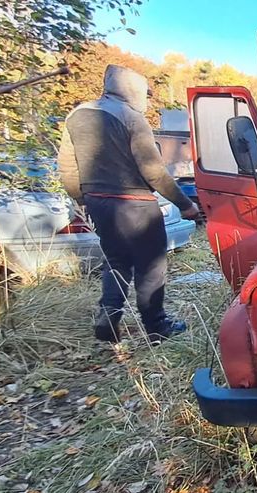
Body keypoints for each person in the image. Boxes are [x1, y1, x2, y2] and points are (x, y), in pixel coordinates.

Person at [58, 64, 201, 343]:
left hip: (98, 203)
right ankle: (157, 327)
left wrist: (82, 199)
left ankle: (109, 314)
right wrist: (185, 205)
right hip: (136, 204)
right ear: (133, 90)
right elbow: (153, 171)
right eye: (145, 95)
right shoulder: (131, 117)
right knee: (151, 267)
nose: (146, 101)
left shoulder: (75, 115)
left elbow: (67, 167)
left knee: (116, 261)